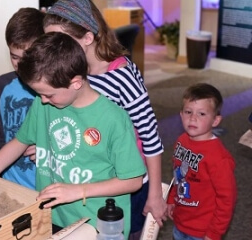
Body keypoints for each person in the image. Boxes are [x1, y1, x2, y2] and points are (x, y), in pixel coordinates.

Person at [0, 32, 146, 239]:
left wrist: (78, 191)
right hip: (53, 217)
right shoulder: (43, 104)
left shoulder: (113, 119)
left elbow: (133, 180)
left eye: (48, 94)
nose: (43, 100)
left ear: (75, 82)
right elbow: (19, 142)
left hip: (97, 225)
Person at [43, 0, 166, 238]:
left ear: (87, 38)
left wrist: (154, 194)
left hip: (126, 182)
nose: (54, 49)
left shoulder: (122, 77)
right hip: (92, 175)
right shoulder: (71, 72)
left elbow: (150, 137)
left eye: (61, 41)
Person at [167, 83, 237, 240]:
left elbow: (227, 199)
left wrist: (214, 233)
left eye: (202, 114)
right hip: (180, 222)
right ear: (180, 115)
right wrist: (171, 199)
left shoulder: (219, 158)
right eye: (188, 112)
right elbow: (177, 175)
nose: (193, 118)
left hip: (203, 231)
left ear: (216, 120)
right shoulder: (181, 141)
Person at [0, 8, 45, 190]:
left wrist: (48, 152)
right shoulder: (2, 84)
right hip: (11, 184)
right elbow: (2, 137)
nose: (20, 64)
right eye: (14, 57)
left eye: (27, 57)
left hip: (45, 187)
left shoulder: (54, 91)